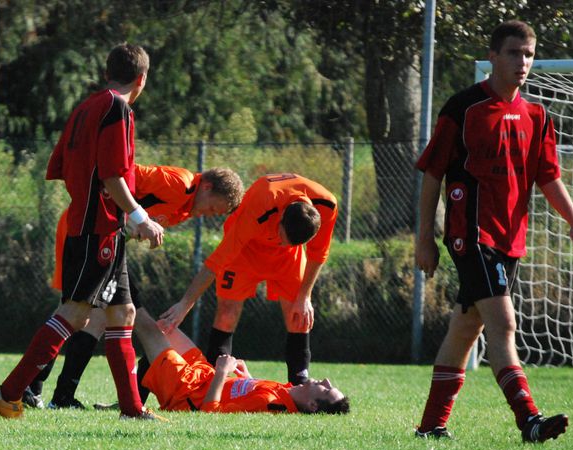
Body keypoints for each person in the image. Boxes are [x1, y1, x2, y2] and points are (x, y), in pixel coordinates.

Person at [413, 20, 573, 442]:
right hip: (471, 232)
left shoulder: (537, 116)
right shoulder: (464, 109)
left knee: (466, 327)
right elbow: (432, 173)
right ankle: (529, 420)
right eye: (514, 53)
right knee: (504, 324)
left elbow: (548, 177)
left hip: (510, 238)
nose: (523, 62)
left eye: (529, 54)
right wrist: (424, 235)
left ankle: (430, 426)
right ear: (492, 57)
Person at [0, 43, 166, 420]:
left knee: (123, 313)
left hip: (98, 225)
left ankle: (133, 410)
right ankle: (9, 392)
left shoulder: (86, 107)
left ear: (106, 74)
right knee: (76, 313)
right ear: (142, 79)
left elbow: (63, 166)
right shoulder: (118, 108)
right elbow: (111, 174)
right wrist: (138, 217)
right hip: (97, 227)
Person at [25, 164, 244, 409]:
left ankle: (55, 393)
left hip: (105, 242)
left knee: (89, 317)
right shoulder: (178, 184)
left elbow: (131, 219)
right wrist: (133, 221)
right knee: (74, 312)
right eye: (213, 207)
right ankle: (37, 388)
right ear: (207, 186)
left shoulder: (183, 208)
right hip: (86, 233)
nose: (208, 214)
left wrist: (135, 228)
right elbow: (115, 178)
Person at [159, 173, 338, 386]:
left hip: (287, 260)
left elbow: (318, 255)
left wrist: (305, 296)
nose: (282, 243)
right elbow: (216, 262)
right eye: (282, 238)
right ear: (279, 218)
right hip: (246, 250)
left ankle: (300, 382)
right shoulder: (260, 205)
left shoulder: (327, 205)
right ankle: (211, 382)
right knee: (227, 313)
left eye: (289, 242)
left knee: (298, 314)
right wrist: (184, 304)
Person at [132, 309, 349, 414]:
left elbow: (209, 412)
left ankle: (115, 297)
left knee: (145, 325)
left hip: (186, 392)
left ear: (312, 405)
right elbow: (249, 394)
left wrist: (221, 373)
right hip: (202, 376)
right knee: (165, 325)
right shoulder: (287, 393)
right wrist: (248, 379)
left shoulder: (272, 404)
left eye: (325, 389)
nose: (327, 380)